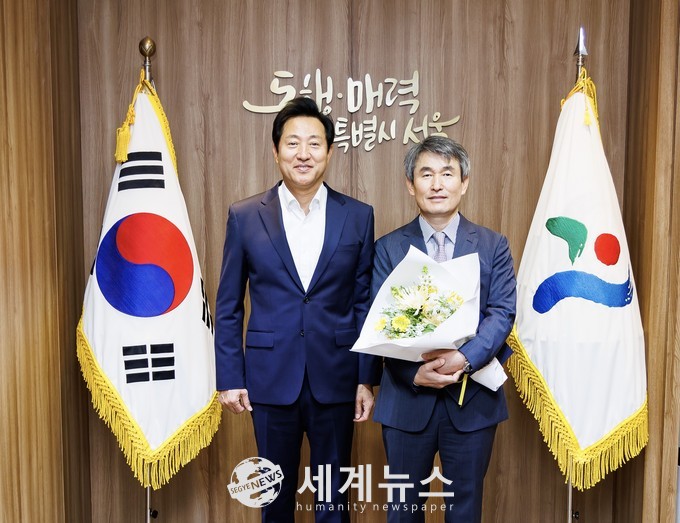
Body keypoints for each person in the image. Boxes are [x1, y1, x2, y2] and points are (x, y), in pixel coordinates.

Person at [215, 96, 381, 523]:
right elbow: (229, 304)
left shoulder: (357, 216)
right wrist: (230, 377)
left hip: (337, 376)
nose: (303, 154)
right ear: (276, 151)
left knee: (332, 501)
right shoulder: (245, 216)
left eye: (314, 143)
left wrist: (366, 378)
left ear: (329, 151)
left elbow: (363, 302)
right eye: (292, 143)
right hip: (269, 378)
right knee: (275, 500)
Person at [372, 136, 516, 522]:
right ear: (410, 184)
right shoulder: (388, 248)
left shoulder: (493, 245)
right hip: (407, 400)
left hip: (472, 401)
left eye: (447, 174)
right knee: (403, 511)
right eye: (426, 174)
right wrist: (413, 372)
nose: (437, 184)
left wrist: (464, 358)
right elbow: (379, 322)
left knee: (464, 512)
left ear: (464, 182)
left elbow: (502, 313)